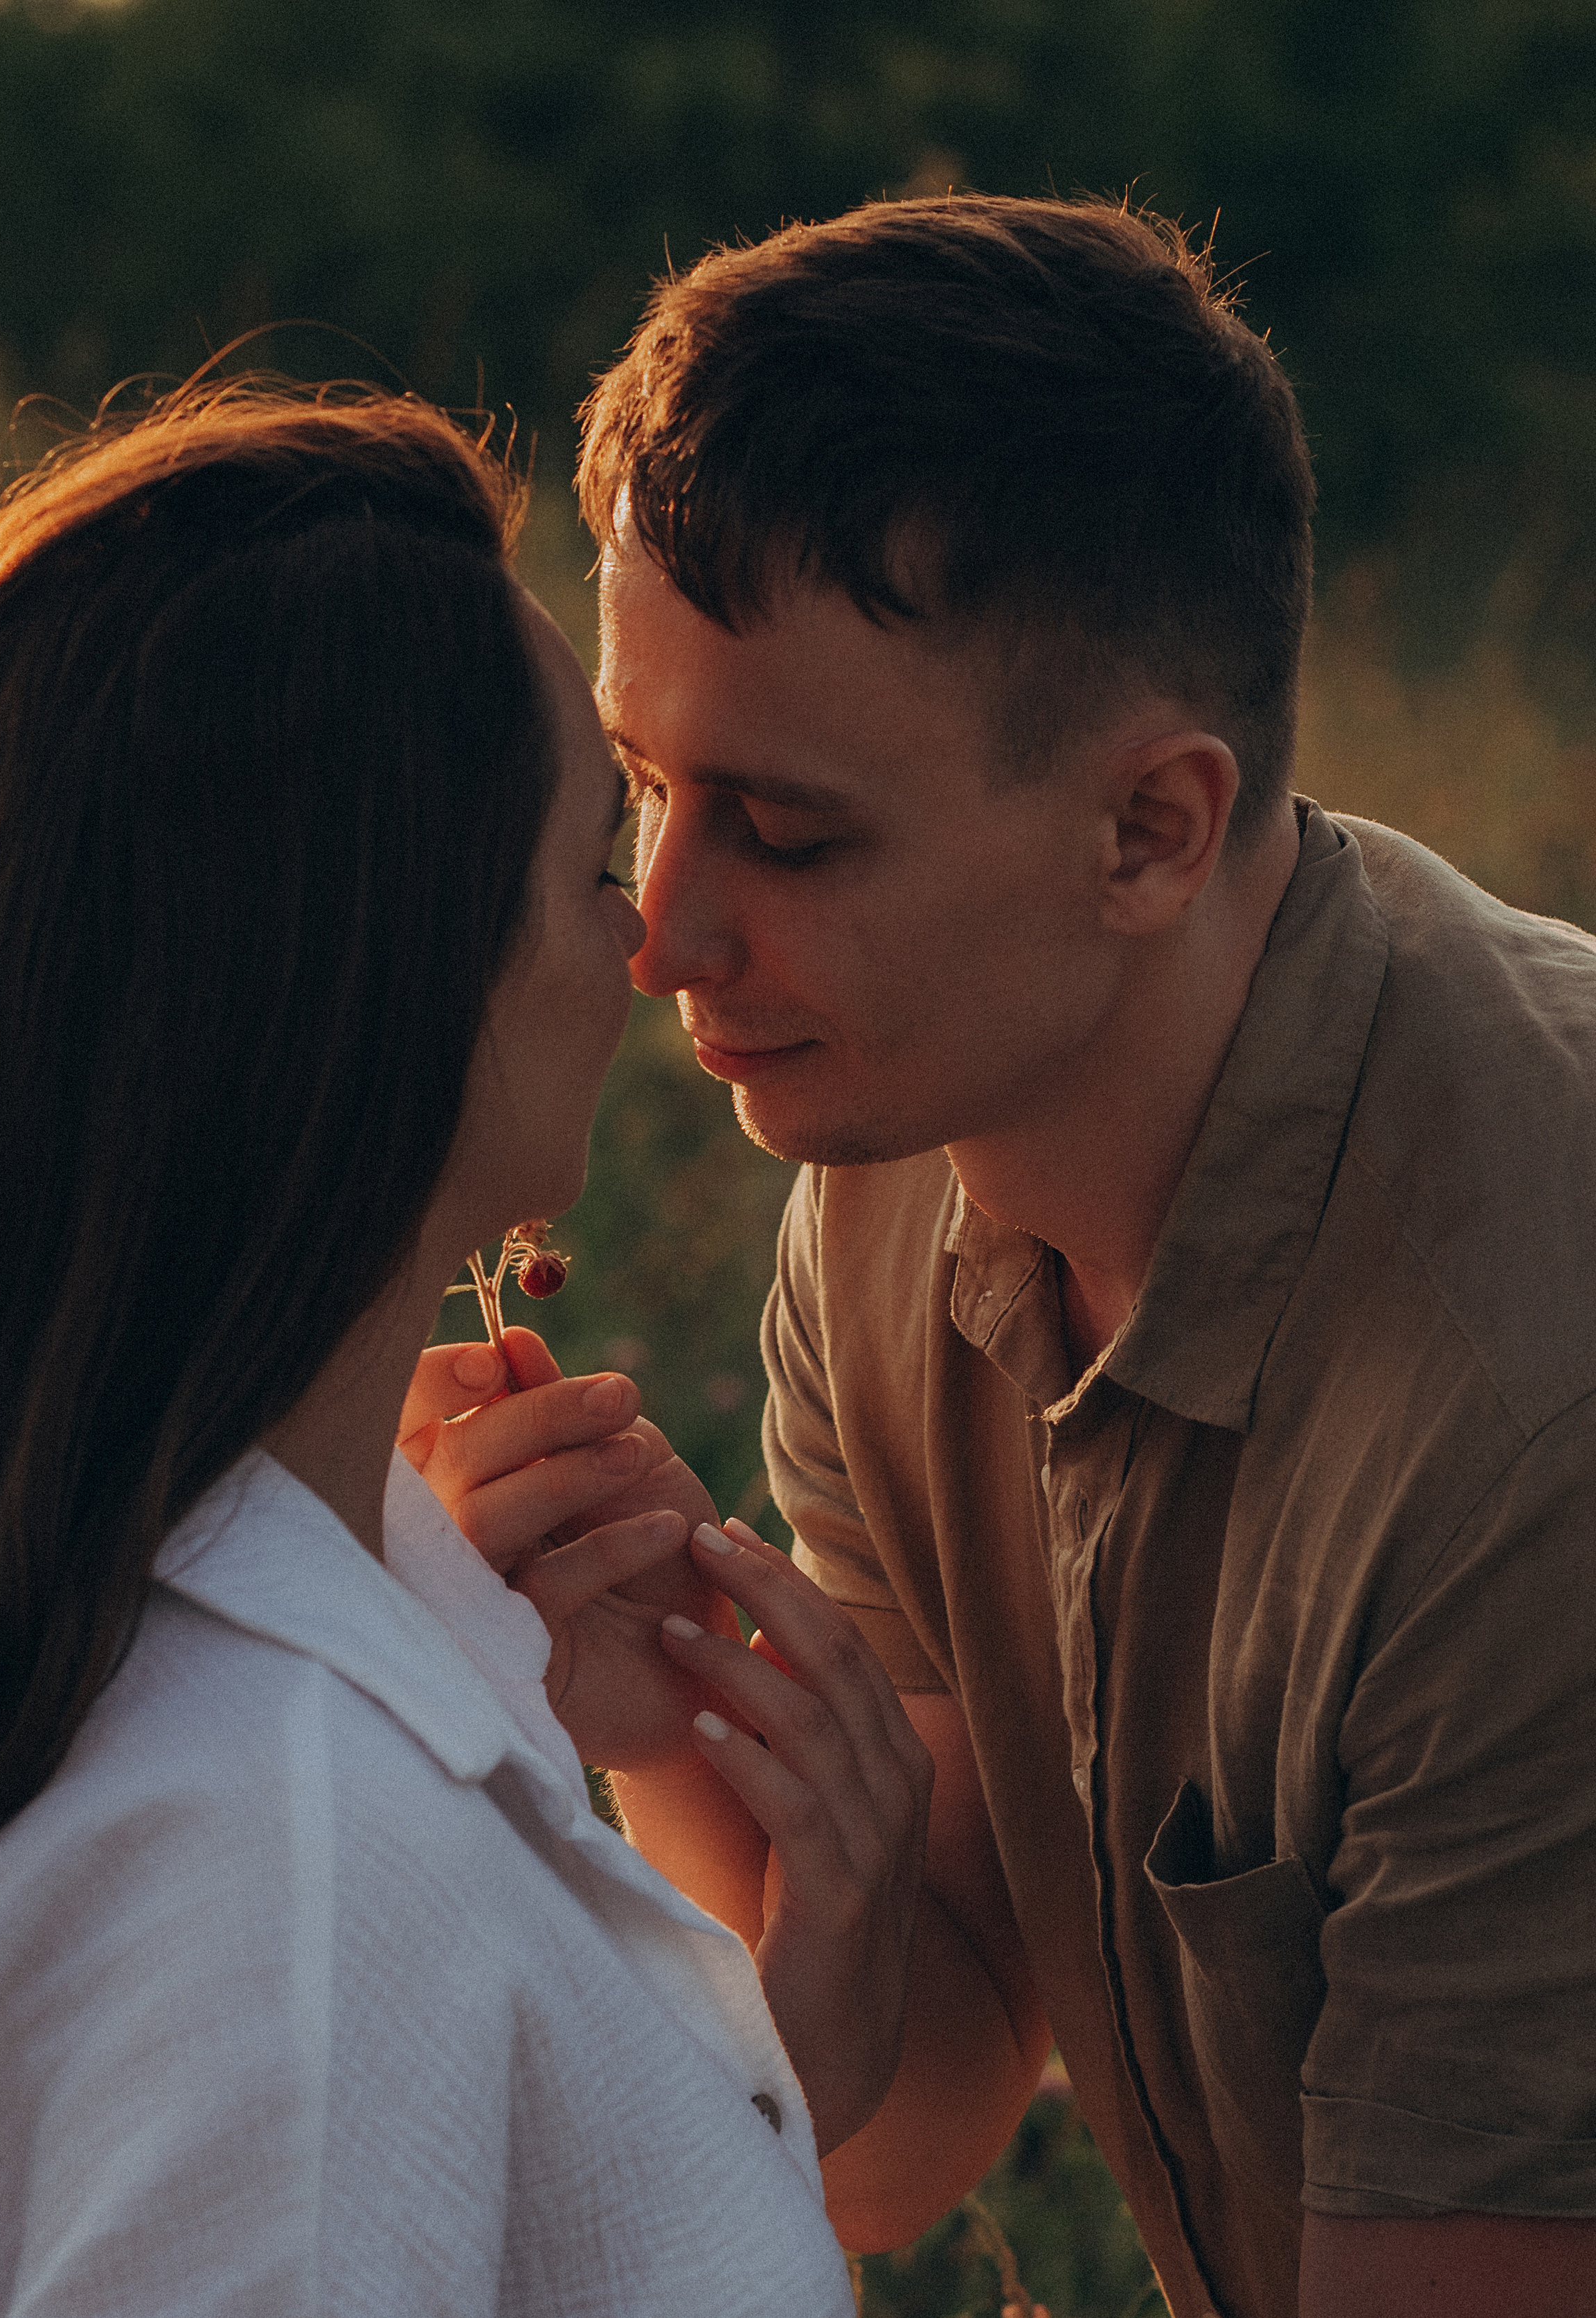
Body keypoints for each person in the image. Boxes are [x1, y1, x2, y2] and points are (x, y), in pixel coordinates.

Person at [440, 195, 1596, 2317]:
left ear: (1153, 825)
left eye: (787, 832)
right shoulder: (889, 1183)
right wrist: (666, 1706)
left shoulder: (1535, 1409)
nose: (659, 930)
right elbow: (905, 2127)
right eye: (636, 790)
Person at [0, 380, 931, 2315]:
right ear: (390, 980)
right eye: (601, 860)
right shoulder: (284, 1864)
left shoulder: (159, 1652)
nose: (654, 945)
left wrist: (757, 2044)